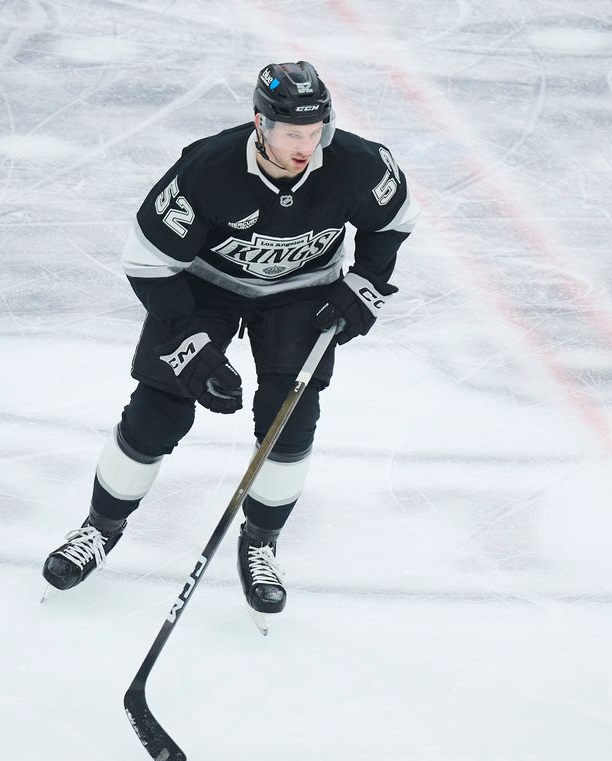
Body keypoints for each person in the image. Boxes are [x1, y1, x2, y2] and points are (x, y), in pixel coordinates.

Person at [42, 61, 418, 624]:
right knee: (158, 409)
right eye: (294, 134)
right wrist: (191, 340)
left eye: (317, 133)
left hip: (302, 292)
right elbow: (148, 264)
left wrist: (365, 282)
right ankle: (99, 528)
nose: (307, 147)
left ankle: (261, 543)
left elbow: (393, 220)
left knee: (290, 418)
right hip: (205, 288)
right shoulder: (208, 168)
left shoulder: (355, 162)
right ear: (260, 124)